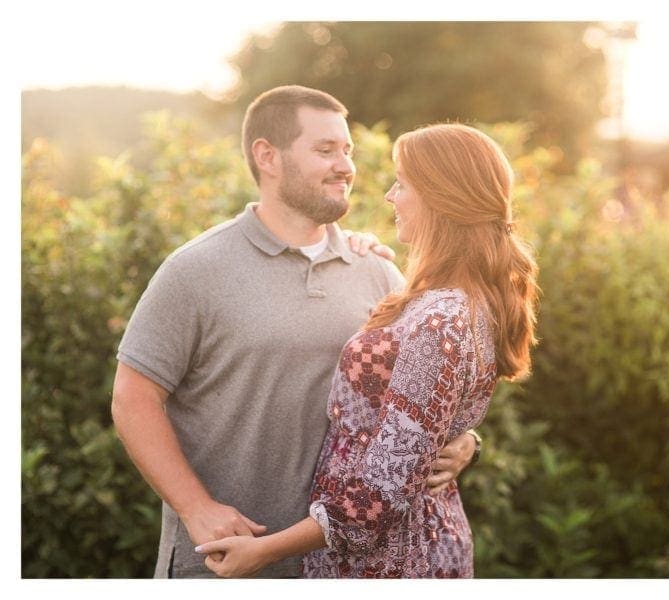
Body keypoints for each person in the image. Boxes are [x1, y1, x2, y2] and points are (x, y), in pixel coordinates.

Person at [111, 85, 478, 578]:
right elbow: (133, 398)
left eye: (347, 151)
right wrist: (196, 508)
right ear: (268, 156)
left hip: (344, 568)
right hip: (226, 563)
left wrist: (465, 440)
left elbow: (417, 396)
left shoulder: (379, 273)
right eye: (325, 150)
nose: (345, 166)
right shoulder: (195, 270)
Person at [194, 123, 539, 578]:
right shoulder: (451, 301)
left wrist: (264, 551)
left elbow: (379, 498)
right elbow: (423, 419)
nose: (390, 197)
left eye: (403, 184)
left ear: (442, 197)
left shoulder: (441, 321)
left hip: (390, 562)